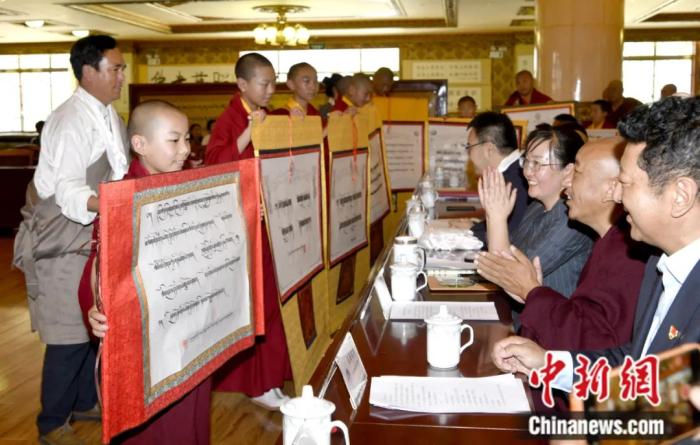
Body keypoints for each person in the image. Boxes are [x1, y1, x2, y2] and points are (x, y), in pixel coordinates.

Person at [491, 96, 700, 396]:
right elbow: (637, 365)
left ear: (680, 196)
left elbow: (672, 408)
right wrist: (549, 365)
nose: (616, 196)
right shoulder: (661, 263)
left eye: (625, 183)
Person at [12, 34, 129, 445]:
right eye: (115, 68)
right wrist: (117, 205)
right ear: (88, 72)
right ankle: (51, 424)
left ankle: (82, 402)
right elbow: (68, 191)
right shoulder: (69, 120)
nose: (122, 76)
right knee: (68, 335)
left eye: (121, 68)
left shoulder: (109, 115)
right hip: (62, 240)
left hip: (94, 235)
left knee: (92, 325)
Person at [85, 100, 211, 444]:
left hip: (191, 326)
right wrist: (95, 306)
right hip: (149, 339)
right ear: (139, 144)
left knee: (192, 413)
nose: (186, 149)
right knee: (159, 423)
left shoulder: (187, 185)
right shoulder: (123, 199)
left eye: (187, 138)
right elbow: (98, 263)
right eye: (174, 140)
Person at [477, 137, 651, 351]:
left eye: (576, 172)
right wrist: (533, 293)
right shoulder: (606, 241)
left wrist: (531, 291)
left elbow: (599, 343)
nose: (567, 182)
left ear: (612, 188)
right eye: (527, 161)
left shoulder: (630, 255)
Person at [205, 52, 292, 410]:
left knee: (271, 304)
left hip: (269, 221)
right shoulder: (230, 119)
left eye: (274, 83)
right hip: (241, 227)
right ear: (242, 84)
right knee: (257, 305)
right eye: (264, 83)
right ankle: (258, 383)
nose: (271, 90)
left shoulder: (264, 113)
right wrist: (247, 133)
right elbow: (213, 164)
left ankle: (270, 377)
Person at [478, 124, 593, 302]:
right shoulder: (537, 206)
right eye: (526, 161)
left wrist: (496, 217)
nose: (527, 172)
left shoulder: (572, 222)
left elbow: (510, 276)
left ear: (568, 171)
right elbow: (508, 251)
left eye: (537, 163)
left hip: (550, 317)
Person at [467, 112, 529, 244]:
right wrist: (472, 227)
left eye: (469, 148)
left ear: (489, 149)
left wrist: (465, 235)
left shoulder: (516, 181)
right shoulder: (512, 172)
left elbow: (509, 236)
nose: (469, 155)